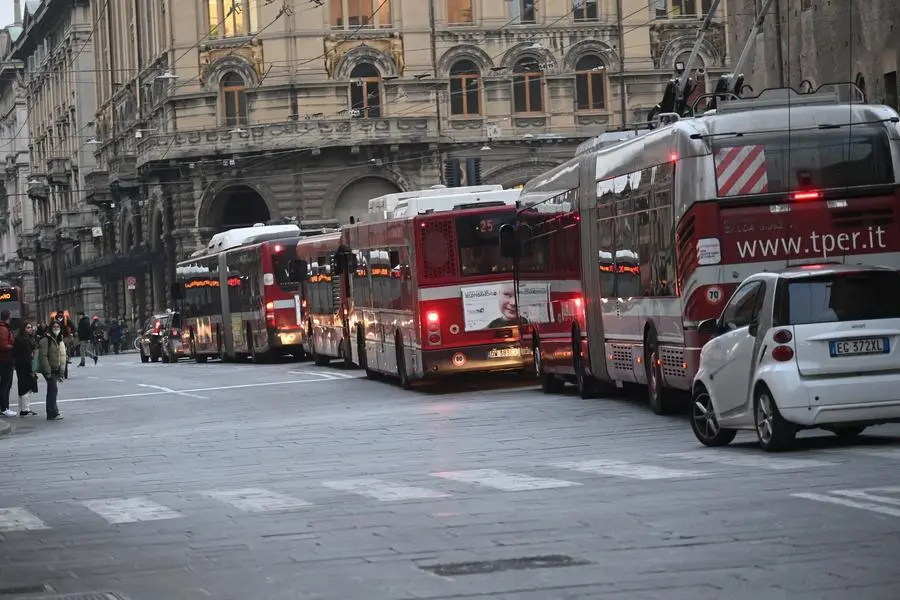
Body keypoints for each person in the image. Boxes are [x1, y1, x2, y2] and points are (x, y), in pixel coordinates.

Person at [37, 321, 65, 421]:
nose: (56, 328)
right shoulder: (46, 340)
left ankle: (52, 412)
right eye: (54, 326)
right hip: (49, 369)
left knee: (52, 389)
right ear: (50, 327)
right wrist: (47, 371)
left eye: (58, 326)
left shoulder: (57, 338)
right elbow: (43, 356)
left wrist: (61, 370)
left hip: (55, 369)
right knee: (53, 389)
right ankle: (52, 412)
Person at [13, 322, 38, 417]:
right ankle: (25, 409)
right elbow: (27, 354)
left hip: (21, 365)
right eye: (28, 327)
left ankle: (24, 408)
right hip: (25, 365)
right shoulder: (24, 340)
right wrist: (31, 368)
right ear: (24, 329)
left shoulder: (21, 339)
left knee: (23, 386)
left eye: (31, 327)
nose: (30, 329)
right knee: (26, 387)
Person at [0, 310, 15, 417]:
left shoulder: (3, 328)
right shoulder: (3, 329)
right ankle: (4, 408)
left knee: (4, 384)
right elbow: (3, 346)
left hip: (4, 359)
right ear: (8, 317)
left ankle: (4, 407)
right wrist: (14, 347)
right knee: (6, 384)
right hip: (5, 360)